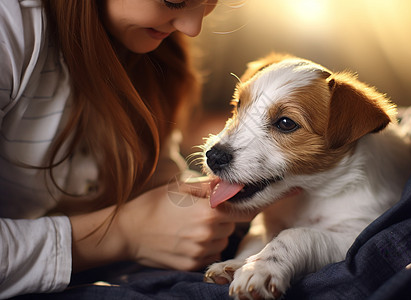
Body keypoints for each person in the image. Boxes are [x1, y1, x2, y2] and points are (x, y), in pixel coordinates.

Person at [0, 0, 255, 298]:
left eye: (212, 1)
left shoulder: (140, 44)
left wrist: (185, 205)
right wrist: (123, 234)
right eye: (174, 0)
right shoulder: (11, 22)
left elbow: (153, 183)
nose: (193, 28)